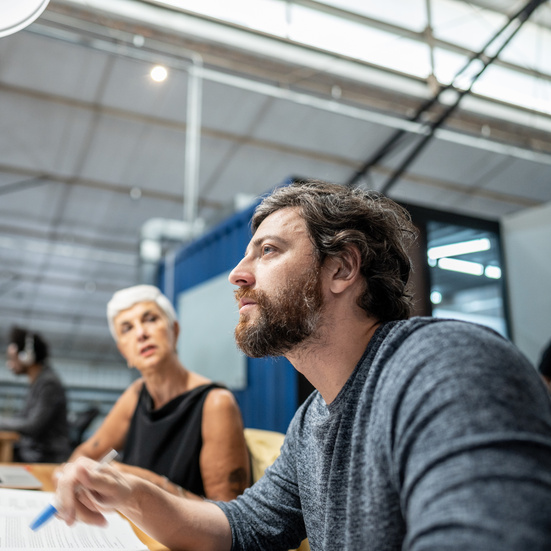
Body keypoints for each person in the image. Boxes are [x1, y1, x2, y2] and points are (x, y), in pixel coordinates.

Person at [56, 180, 551, 550]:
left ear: (341, 268)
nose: (237, 275)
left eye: (268, 251)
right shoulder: (313, 419)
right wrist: (132, 494)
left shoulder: (446, 366)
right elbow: (244, 526)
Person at [63, 284, 250, 501]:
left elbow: (229, 517)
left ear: (174, 330)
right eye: (127, 328)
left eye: (150, 319)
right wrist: (70, 476)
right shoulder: (135, 395)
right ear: (124, 351)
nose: (141, 334)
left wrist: (142, 481)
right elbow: (85, 454)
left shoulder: (216, 403)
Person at [1, 326, 71, 463]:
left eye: (12, 358)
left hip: (44, 457)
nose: (9, 364)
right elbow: (22, 417)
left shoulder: (48, 384)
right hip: (32, 452)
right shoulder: (39, 381)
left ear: (26, 356)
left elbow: (33, 426)